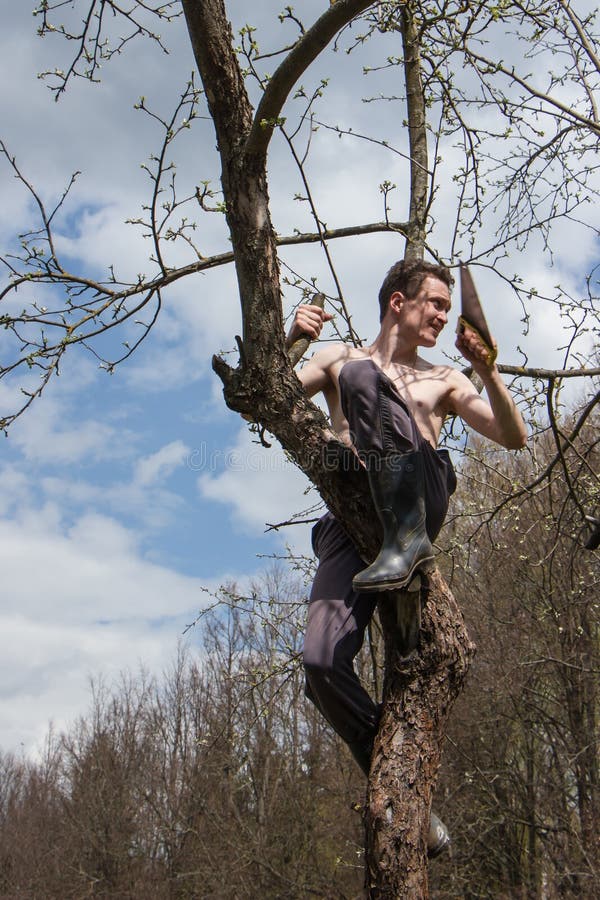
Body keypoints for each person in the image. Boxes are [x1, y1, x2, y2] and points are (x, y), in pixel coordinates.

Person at [286, 259, 527, 856]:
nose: (444, 316)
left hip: (420, 496)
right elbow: (270, 396)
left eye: (448, 306)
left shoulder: (444, 378)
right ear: (398, 301)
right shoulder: (340, 359)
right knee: (320, 664)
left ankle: (407, 543)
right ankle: (400, 785)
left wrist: (487, 372)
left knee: (365, 380)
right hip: (351, 523)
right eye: (436, 303)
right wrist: (291, 341)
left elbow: (514, 436)